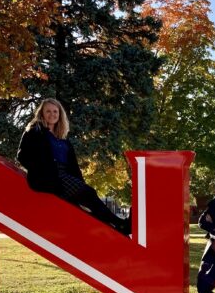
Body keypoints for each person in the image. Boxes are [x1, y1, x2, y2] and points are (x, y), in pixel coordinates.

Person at [16, 98, 131, 237]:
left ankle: (116, 228)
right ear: (42, 113)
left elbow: (73, 165)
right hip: (46, 178)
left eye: (55, 111)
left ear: (60, 114)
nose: (52, 114)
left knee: (86, 202)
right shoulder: (34, 131)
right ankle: (120, 224)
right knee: (89, 194)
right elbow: (22, 156)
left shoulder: (62, 137)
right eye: (48, 111)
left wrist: (80, 181)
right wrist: (42, 170)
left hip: (64, 175)